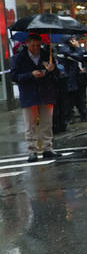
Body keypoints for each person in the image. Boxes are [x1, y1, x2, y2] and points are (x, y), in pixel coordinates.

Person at [12, 33, 59, 161]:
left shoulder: (46, 54)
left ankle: (47, 148)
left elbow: (56, 74)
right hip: (29, 94)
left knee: (47, 123)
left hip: (46, 93)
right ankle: (32, 150)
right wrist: (31, 74)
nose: (35, 48)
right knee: (30, 124)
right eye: (33, 45)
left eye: (38, 45)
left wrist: (52, 69)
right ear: (26, 44)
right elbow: (14, 77)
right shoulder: (19, 58)